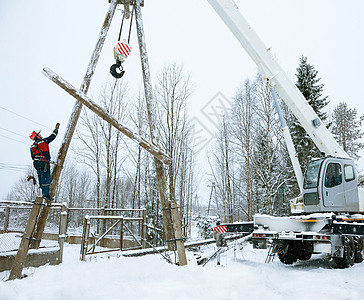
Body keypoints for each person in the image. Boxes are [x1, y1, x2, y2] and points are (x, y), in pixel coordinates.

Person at [29, 123, 60, 200]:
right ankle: (46, 195)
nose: (41, 135)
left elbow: (32, 156)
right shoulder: (43, 141)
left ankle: (43, 192)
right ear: (37, 136)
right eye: (39, 134)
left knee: (40, 177)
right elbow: (52, 137)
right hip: (43, 162)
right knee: (46, 178)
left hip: (36, 163)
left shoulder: (32, 146)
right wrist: (56, 130)